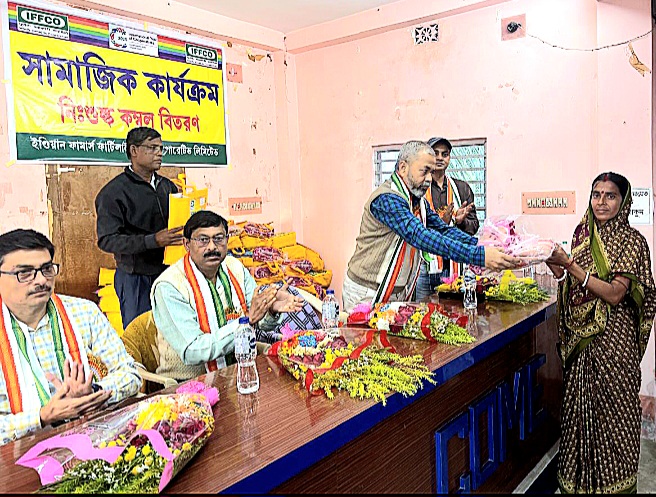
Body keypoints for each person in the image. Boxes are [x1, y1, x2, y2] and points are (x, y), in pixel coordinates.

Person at [546, 172, 656, 494]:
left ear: (624, 201)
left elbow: (615, 294)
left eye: (610, 196)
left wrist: (571, 266)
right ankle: (579, 485)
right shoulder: (582, 234)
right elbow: (570, 283)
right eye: (597, 194)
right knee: (579, 416)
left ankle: (615, 486)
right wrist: (552, 261)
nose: (601, 202)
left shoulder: (632, 241)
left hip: (614, 343)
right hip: (581, 343)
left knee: (615, 417)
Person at [343, 140, 521, 312]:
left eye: (432, 172)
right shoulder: (387, 199)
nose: (429, 179)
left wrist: (482, 245)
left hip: (397, 292)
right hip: (367, 292)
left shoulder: (418, 201)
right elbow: (420, 236)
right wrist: (479, 256)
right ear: (403, 168)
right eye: (425, 171)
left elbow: (443, 230)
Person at [0, 229, 141, 445]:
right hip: (18, 454)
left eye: (47, 269)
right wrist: (42, 417)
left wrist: (93, 393)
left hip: (94, 438)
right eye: (25, 273)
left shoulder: (84, 312)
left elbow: (130, 374)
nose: (41, 280)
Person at [151, 211, 305, 382]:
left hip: (238, 369)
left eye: (218, 238)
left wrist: (270, 309)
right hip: (188, 383)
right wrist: (245, 322)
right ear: (186, 244)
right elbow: (193, 351)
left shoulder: (234, 267)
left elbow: (259, 322)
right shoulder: (169, 286)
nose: (212, 247)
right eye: (203, 240)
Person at [95, 127, 182, 329]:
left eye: (161, 148)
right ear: (134, 151)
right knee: (140, 333)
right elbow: (107, 240)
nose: (159, 153)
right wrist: (153, 240)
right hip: (135, 277)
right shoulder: (113, 193)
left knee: (172, 331)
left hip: (169, 273)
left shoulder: (167, 187)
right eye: (152, 148)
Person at [415, 136, 479, 301]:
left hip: (455, 264)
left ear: (449, 158)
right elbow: (413, 228)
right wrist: (440, 223)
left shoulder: (462, 188)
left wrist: (460, 222)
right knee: (423, 310)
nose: (440, 158)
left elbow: (473, 226)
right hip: (425, 266)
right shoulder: (418, 189)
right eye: (435, 153)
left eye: (445, 154)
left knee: (454, 311)